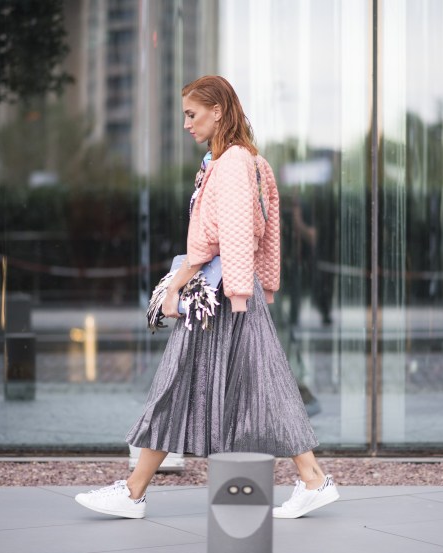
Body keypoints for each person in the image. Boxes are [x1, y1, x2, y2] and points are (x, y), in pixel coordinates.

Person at [74, 75, 339, 520]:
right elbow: (261, 230)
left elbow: (227, 233)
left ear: (218, 111)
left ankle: (134, 492)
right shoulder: (242, 159)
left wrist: (180, 281)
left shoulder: (233, 162)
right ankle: (313, 479)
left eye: (191, 114)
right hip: (235, 291)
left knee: (184, 381)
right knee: (257, 385)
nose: (185, 124)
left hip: (222, 294)